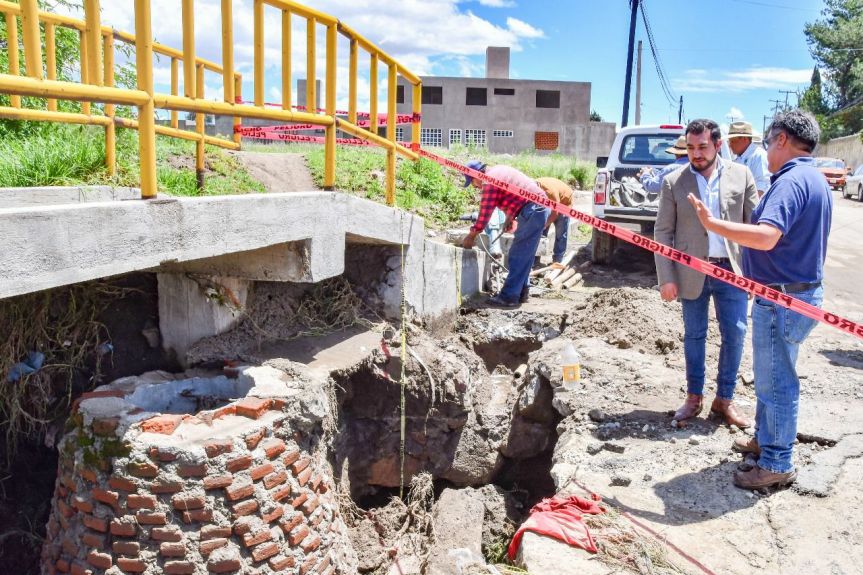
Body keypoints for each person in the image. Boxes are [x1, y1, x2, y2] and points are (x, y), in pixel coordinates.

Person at [687, 109, 832, 490]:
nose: (765, 152)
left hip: (783, 299)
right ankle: (766, 442)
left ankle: (777, 462)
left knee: (776, 384)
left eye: (768, 143)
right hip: (793, 294)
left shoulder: (791, 181)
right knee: (772, 376)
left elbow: (767, 236)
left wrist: (713, 224)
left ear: (782, 139)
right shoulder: (812, 178)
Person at [654, 119, 758, 428]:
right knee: (694, 335)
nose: (696, 154)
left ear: (718, 144)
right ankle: (694, 397)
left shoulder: (742, 175)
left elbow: (754, 227)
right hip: (690, 271)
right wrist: (666, 277)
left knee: (735, 333)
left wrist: (755, 275)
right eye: (690, 148)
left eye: (702, 147)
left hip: (731, 271)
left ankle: (724, 399)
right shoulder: (674, 181)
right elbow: (663, 231)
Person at [462, 160, 550, 307]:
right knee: (525, 254)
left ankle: (508, 297)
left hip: (534, 208)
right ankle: (522, 292)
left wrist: (472, 235)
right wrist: (510, 217)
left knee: (518, 254)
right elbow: (515, 195)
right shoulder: (499, 171)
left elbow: (485, 213)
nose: (474, 186)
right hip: (537, 206)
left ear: (477, 175)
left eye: (472, 182)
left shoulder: (489, 181)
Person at [727, 121, 771, 197]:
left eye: (733, 141)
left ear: (745, 139)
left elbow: (762, 187)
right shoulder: (738, 159)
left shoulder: (758, 156)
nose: (730, 145)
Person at [536, 177, 574, 265]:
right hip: (549, 204)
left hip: (564, 203)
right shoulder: (532, 187)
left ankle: (558, 260)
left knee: (560, 233)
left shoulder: (550, 192)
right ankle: (536, 259)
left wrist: (545, 224)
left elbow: (555, 213)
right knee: (540, 233)